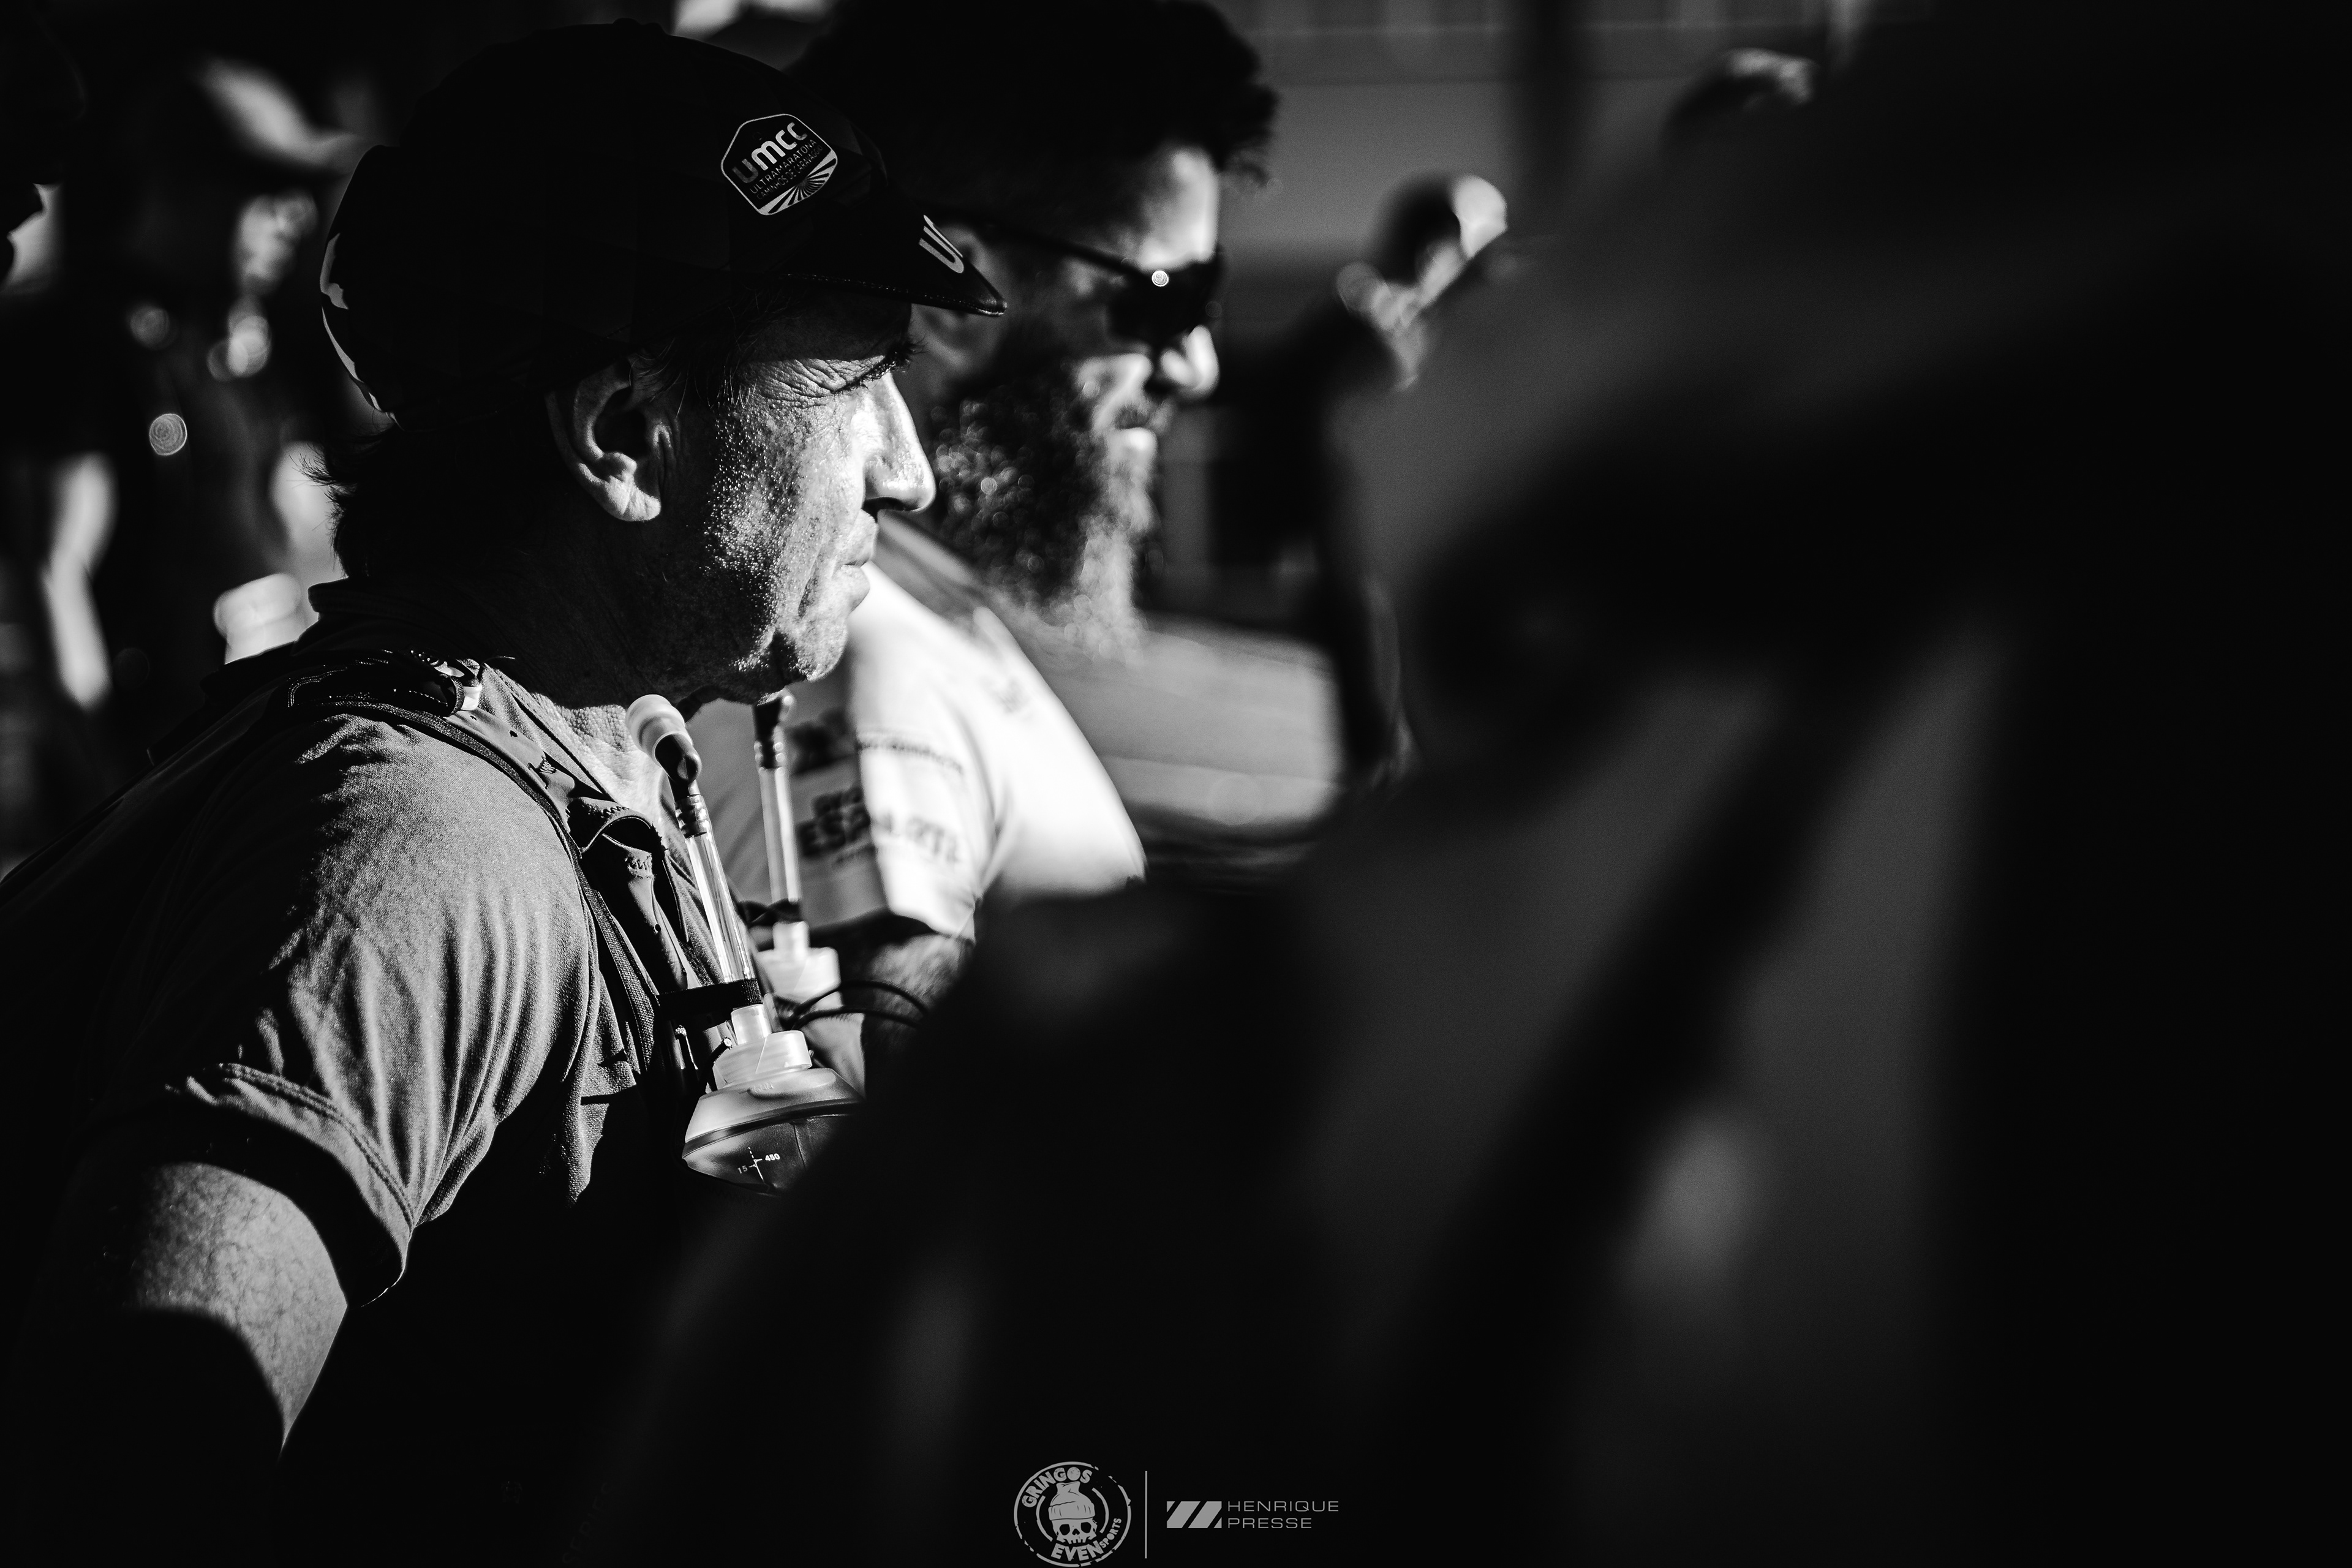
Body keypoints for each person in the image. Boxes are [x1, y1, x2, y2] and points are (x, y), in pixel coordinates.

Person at [0, 21, 1001, 1561]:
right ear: (626, 437)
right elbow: (125, 1485)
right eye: (859, 382)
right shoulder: (418, 850)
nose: (907, 468)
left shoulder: (617, 744)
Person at [688, 0, 1276, 1074]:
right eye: (1165, 298)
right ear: (960, 297)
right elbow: (885, 1121)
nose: (1198, 364)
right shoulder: (852, 666)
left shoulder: (907, 626)